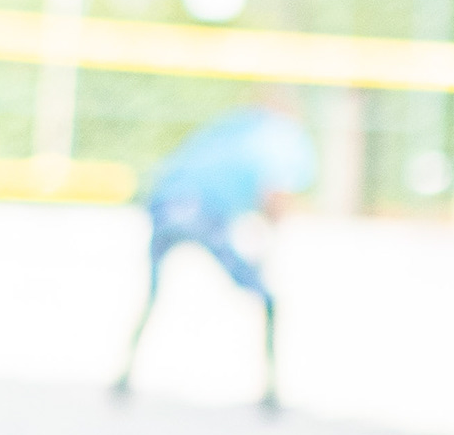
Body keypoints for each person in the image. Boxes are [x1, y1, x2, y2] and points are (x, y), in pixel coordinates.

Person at [112, 94, 315, 414]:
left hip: (165, 205)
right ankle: (271, 390)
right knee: (266, 299)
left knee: (152, 294)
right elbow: (276, 199)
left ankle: (124, 373)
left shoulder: (233, 125)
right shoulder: (284, 137)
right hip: (205, 214)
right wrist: (267, 240)